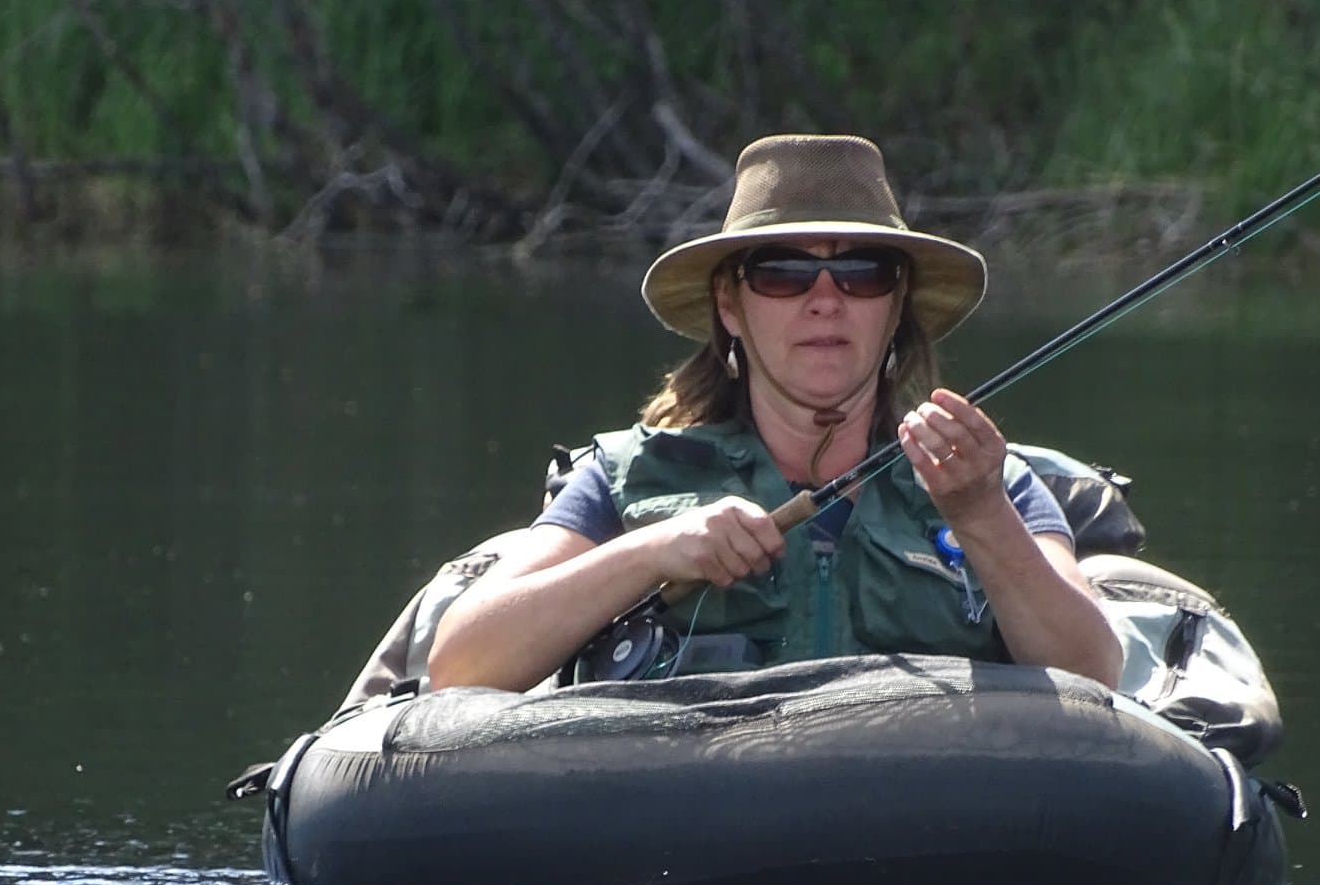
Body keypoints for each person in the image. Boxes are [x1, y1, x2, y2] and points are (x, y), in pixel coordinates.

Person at [426, 134, 1123, 692]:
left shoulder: (997, 486)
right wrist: (652, 550)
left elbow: (1095, 677)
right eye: (783, 272)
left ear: (896, 304)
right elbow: (460, 663)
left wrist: (979, 515)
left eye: (862, 272)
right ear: (731, 305)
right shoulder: (622, 480)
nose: (825, 299)